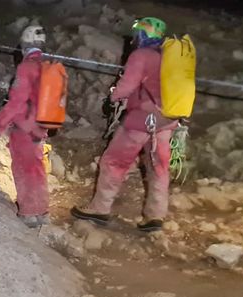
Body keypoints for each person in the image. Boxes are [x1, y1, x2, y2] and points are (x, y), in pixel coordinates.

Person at [71, 17, 176, 232]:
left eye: (138, 33)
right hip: (166, 121)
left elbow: (126, 86)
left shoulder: (141, 55)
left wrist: (113, 97)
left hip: (141, 120)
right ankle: (156, 216)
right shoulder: (169, 56)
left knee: (113, 162)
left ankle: (100, 208)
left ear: (143, 35)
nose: (135, 38)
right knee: (159, 167)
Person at [0, 25, 50, 228]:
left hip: (24, 127)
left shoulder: (26, 67)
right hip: (41, 126)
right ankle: (42, 210)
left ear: (24, 44)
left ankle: (27, 212)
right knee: (37, 168)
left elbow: (15, 102)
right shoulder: (48, 65)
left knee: (23, 169)